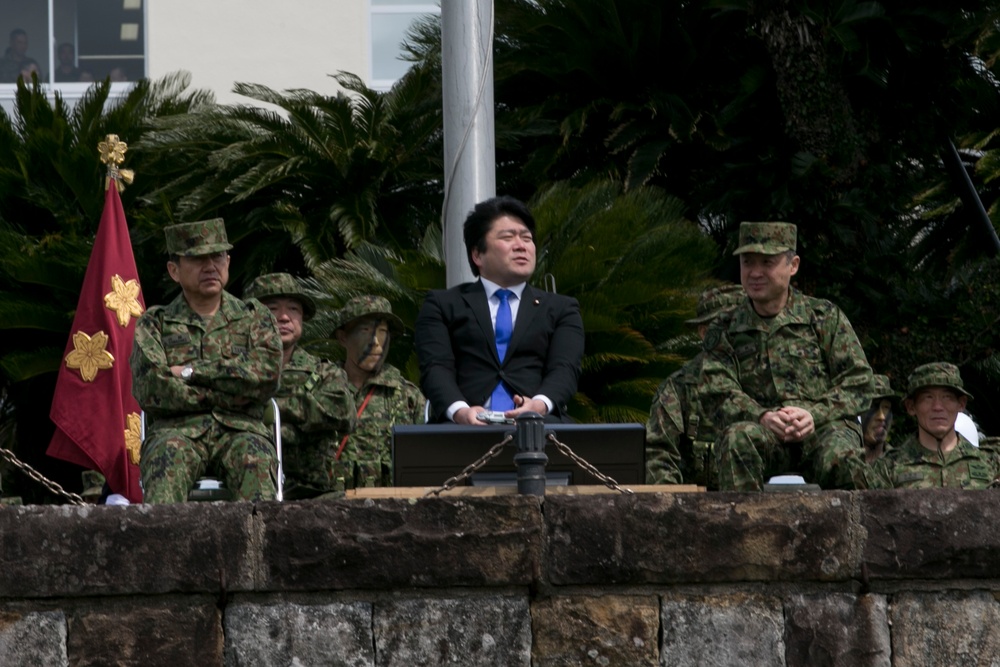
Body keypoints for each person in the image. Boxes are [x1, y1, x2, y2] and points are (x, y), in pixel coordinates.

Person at [700, 221, 875, 491]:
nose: (755, 273)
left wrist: (814, 414)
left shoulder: (823, 317)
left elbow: (859, 382)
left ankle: (859, 532)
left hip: (823, 429)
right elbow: (715, 390)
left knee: (845, 461)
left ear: (792, 265)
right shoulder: (724, 328)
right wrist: (761, 416)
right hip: (763, 430)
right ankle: (744, 529)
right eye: (748, 263)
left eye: (767, 263)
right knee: (736, 440)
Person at [131, 219, 283, 503]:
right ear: (174, 270)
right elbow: (152, 389)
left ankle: (260, 548)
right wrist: (230, 389)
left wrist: (190, 372)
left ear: (228, 260)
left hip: (241, 430)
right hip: (176, 433)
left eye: (218, 256)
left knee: (256, 462)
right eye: (198, 259)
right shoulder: (156, 323)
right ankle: (165, 549)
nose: (211, 266)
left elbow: (266, 378)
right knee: (166, 463)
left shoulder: (254, 317)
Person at [415, 195, 585, 424]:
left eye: (527, 238)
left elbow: (564, 368)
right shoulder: (443, 304)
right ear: (477, 254)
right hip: (463, 430)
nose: (521, 245)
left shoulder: (562, 309)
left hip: (541, 427)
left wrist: (539, 405)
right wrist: (461, 412)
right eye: (508, 237)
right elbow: (436, 367)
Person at [244, 273, 356, 499]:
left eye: (293, 309)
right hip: (247, 491)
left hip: (312, 493)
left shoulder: (324, 372)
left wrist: (273, 409)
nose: (284, 317)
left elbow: (344, 413)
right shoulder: (234, 368)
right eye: (273, 308)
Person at [645, 284, 745, 487]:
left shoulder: (769, 381)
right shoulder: (679, 388)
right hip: (698, 508)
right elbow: (658, 455)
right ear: (704, 332)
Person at [332, 296, 426, 489]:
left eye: (382, 332)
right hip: (326, 506)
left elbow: (423, 463)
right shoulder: (322, 389)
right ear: (343, 337)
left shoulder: (408, 397)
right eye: (365, 330)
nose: (376, 342)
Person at [866, 363, 1000, 489]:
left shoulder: (990, 462)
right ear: (911, 407)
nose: (937, 407)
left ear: (961, 404)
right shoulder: (887, 468)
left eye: (947, 397)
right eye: (927, 398)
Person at [860, 374, 898, 464]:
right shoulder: (835, 459)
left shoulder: (900, 463)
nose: (882, 417)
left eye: (886, 407)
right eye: (873, 407)